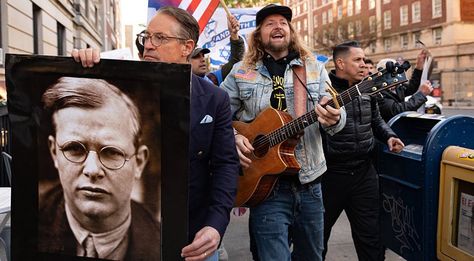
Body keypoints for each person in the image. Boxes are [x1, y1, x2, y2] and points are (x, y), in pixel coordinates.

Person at [72, 6, 240, 261]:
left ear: (187, 47)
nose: (148, 45)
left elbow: (226, 164)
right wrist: (82, 68)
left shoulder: (215, 100)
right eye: (146, 37)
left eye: (160, 38)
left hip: (191, 238)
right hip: (126, 239)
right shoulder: (120, 87)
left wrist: (215, 225)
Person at [221, 4, 346, 260]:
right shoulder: (241, 72)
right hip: (265, 187)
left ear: (290, 31)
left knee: (312, 256)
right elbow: (217, 114)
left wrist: (334, 118)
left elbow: (336, 112)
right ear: (258, 35)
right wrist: (234, 137)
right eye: (269, 23)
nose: (278, 26)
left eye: (283, 22)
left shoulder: (313, 68)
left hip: (309, 183)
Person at [38, 77, 160, 260]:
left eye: (111, 152)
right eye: (75, 149)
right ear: (54, 152)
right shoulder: (28, 223)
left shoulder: (162, 244)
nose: (93, 170)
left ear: (139, 163)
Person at [321, 41, 405, 261]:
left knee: (371, 238)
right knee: (317, 238)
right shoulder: (322, 89)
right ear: (340, 63)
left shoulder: (368, 87)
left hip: (364, 174)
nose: (363, 64)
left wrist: (390, 136)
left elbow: (376, 119)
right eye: (357, 59)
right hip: (330, 176)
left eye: (363, 59)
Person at [375, 49, 434, 122]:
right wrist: (421, 94)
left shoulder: (397, 87)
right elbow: (398, 110)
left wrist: (419, 67)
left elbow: (411, 87)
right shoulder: (378, 93)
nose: (396, 78)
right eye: (393, 74)